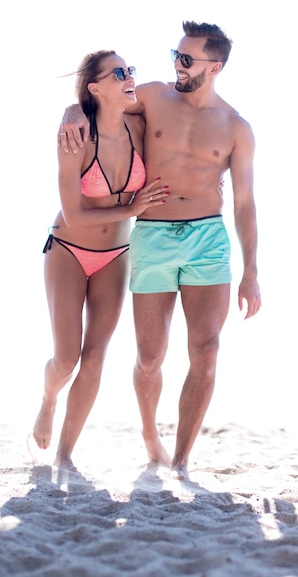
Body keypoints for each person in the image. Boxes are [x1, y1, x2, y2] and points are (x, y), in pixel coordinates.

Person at [58, 21, 261, 480]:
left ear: (215, 67)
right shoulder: (151, 96)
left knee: (206, 350)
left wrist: (251, 270)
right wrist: (72, 110)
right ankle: (152, 435)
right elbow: (101, 107)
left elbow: (245, 203)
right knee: (150, 357)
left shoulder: (236, 127)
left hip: (208, 238)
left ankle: (183, 460)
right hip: (152, 234)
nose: (177, 64)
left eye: (186, 59)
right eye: (176, 54)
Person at [32, 50, 168, 469]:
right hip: (69, 251)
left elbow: (181, 129)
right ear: (95, 87)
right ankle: (48, 399)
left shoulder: (139, 126)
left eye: (131, 71)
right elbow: (74, 213)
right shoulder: (76, 136)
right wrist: (131, 209)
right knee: (67, 358)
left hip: (115, 255)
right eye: (119, 73)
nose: (130, 78)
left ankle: (65, 456)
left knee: (95, 357)